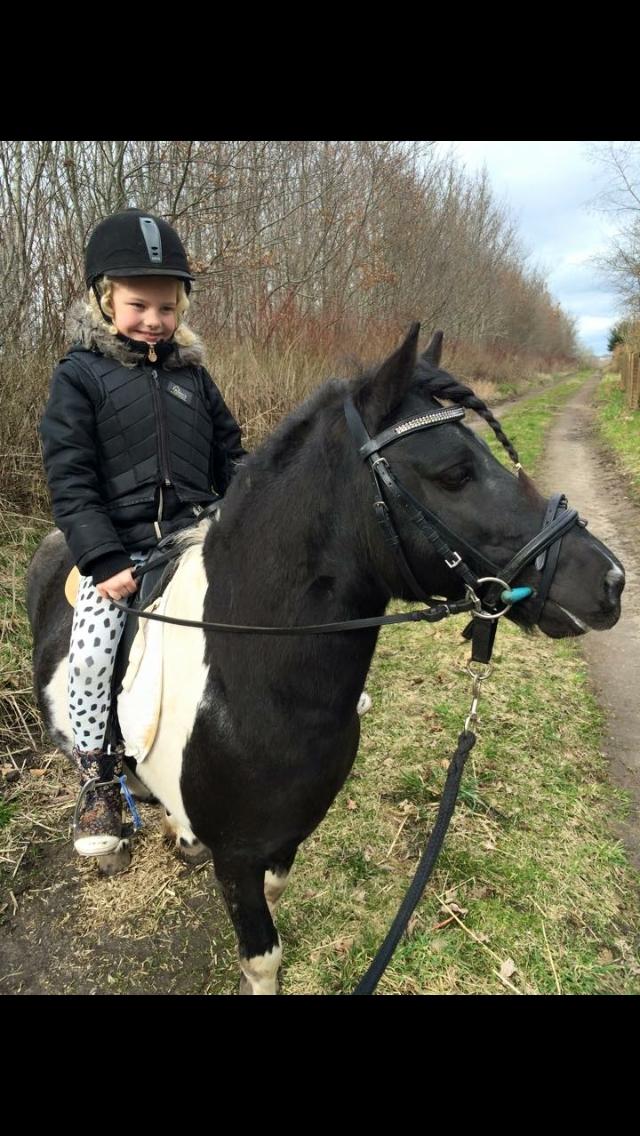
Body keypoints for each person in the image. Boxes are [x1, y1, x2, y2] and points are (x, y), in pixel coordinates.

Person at [40, 208, 246, 858]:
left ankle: (199, 777)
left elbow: (231, 454)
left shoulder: (193, 377)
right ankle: (99, 778)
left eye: (166, 305)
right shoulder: (79, 377)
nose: (154, 319)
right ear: (105, 300)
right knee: (96, 652)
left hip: (193, 542)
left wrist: (246, 509)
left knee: (234, 646)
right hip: (118, 547)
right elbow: (70, 476)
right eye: (138, 305)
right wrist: (100, 556)